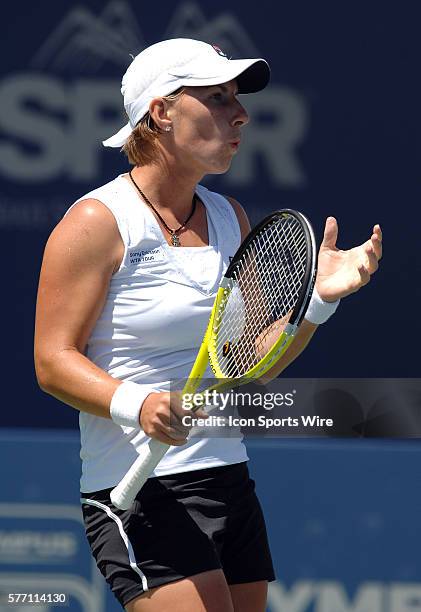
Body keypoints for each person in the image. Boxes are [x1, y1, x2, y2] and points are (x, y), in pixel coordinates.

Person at [34, 38, 382, 612]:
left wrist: (318, 302)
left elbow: (248, 365)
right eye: (217, 98)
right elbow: (52, 362)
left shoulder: (228, 217)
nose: (239, 112)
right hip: (141, 491)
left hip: (228, 477)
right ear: (162, 111)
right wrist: (139, 404)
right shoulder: (97, 221)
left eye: (236, 99)